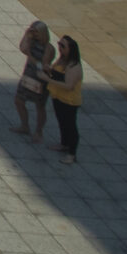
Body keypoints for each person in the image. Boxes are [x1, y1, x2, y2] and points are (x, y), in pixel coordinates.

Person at [44, 34, 84, 163]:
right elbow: (57, 73)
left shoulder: (74, 66)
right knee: (62, 122)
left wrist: (47, 79)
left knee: (70, 126)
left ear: (70, 49)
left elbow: (69, 86)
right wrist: (49, 69)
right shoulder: (62, 60)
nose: (60, 48)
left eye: (63, 46)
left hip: (69, 101)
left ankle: (72, 154)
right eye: (59, 45)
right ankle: (64, 144)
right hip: (58, 97)